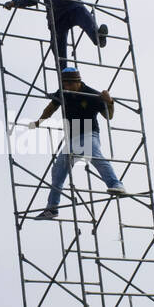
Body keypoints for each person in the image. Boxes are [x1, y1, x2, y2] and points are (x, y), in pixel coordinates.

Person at [28, 66, 127, 219]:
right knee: (58, 170)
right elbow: (51, 108)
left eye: (68, 84)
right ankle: (52, 208)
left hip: (89, 132)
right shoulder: (64, 92)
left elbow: (109, 116)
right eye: (64, 84)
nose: (66, 87)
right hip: (72, 136)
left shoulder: (91, 94)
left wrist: (110, 102)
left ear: (77, 82)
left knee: (95, 156)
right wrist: (39, 122)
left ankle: (116, 185)